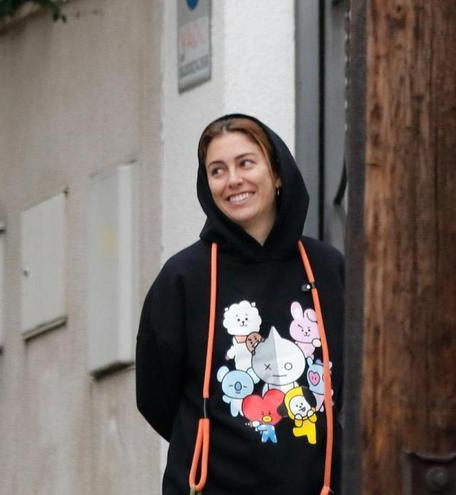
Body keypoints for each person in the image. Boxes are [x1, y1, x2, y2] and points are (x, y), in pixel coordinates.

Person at [136, 114, 344, 495]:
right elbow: (154, 396)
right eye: (217, 170)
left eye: (246, 163)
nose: (233, 180)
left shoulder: (328, 268)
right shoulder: (183, 277)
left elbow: (350, 381)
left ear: (277, 173)